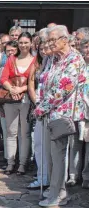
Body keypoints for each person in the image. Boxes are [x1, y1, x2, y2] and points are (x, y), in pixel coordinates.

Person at [35, 25, 86, 207]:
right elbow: (44, 80)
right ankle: (58, 191)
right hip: (51, 113)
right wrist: (41, 104)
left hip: (63, 115)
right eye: (47, 40)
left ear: (64, 39)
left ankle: (57, 195)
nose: (49, 44)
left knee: (58, 156)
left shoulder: (74, 59)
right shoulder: (54, 59)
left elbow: (63, 89)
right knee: (53, 156)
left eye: (52, 40)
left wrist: (41, 108)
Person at [0, 32, 35, 175]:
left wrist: (22, 88)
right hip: (10, 100)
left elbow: (34, 81)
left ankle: (22, 163)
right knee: (10, 132)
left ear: (31, 43)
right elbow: (3, 78)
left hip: (26, 100)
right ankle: (10, 162)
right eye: (21, 43)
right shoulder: (11, 59)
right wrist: (12, 89)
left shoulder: (34, 60)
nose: (23, 45)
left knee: (24, 133)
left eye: (26, 42)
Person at [27, 32, 51, 189]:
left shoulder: (53, 62)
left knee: (50, 148)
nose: (43, 51)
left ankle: (50, 178)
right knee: (38, 144)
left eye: (45, 47)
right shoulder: (38, 63)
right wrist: (37, 102)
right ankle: (43, 176)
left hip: (51, 109)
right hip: (39, 107)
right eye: (40, 48)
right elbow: (32, 84)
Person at [80, 37, 89, 189]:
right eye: (86, 47)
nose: (88, 50)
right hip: (83, 110)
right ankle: (85, 176)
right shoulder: (80, 65)